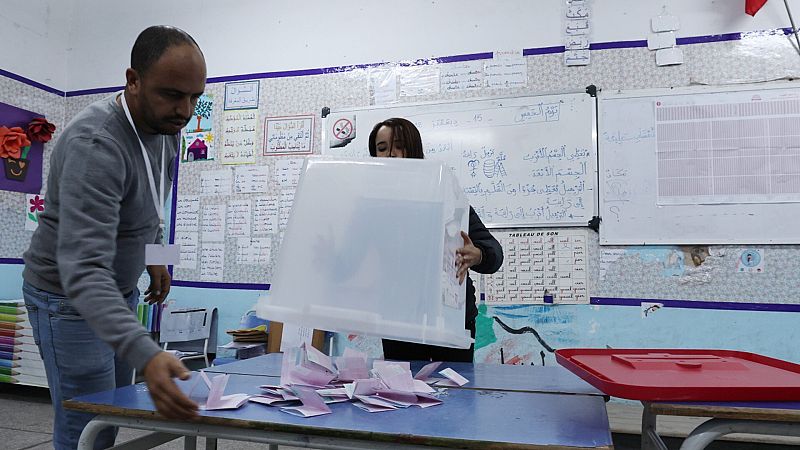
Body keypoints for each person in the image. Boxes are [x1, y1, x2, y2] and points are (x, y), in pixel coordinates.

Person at [22, 25, 205, 449]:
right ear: (133, 80)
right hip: (67, 297)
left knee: (108, 419)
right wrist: (148, 354)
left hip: (118, 291)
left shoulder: (166, 129)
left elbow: (153, 200)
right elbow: (84, 271)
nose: (184, 110)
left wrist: (156, 256)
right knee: (86, 429)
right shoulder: (96, 144)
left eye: (195, 97)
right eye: (172, 94)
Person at [368, 117, 503, 362]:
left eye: (399, 146)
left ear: (414, 149)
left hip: (450, 318)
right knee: (402, 384)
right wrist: (329, 255)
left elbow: (493, 252)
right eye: (382, 148)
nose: (391, 155)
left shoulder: (446, 194)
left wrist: (478, 255)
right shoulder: (371, 204)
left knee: (454, 384)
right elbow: (349, 262)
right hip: (398, 321)